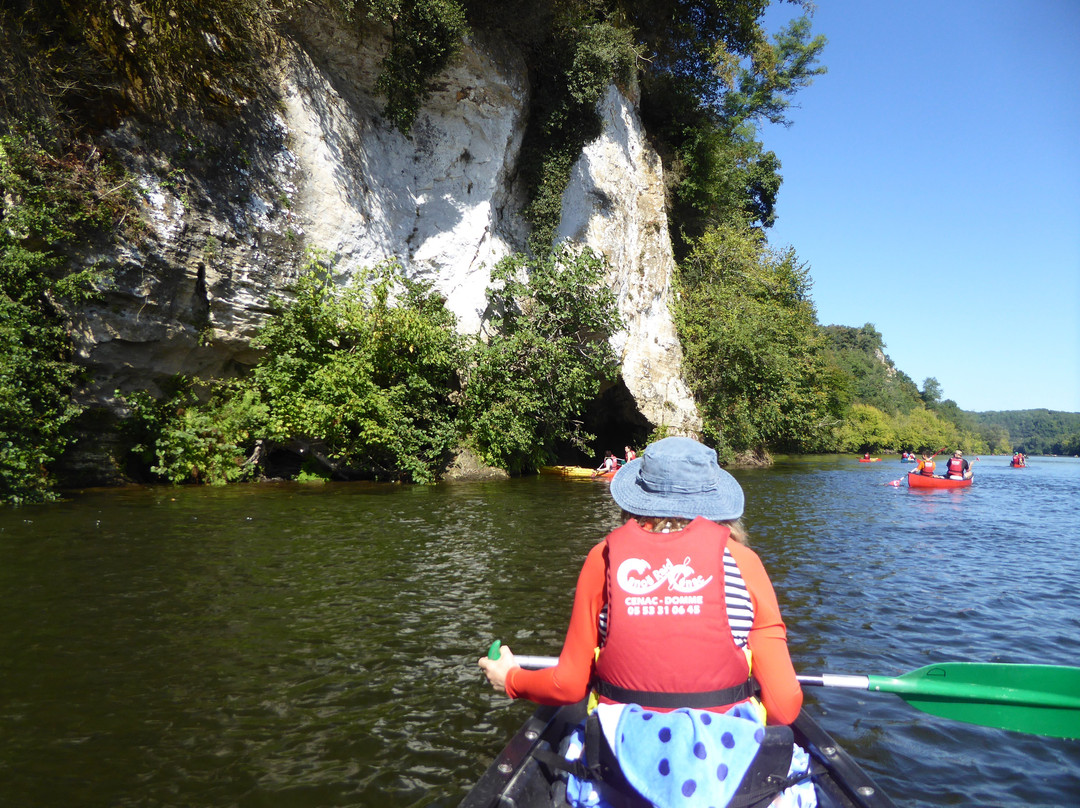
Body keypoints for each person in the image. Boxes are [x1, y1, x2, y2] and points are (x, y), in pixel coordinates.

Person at [479, 436, 809, 808]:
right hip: (727, 771)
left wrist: (510, 679)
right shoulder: (745, 564)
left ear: (638, 498)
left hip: (620, 769)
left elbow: (569, 685)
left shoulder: (602, 558)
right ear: (717, 503)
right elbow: (783, 706)